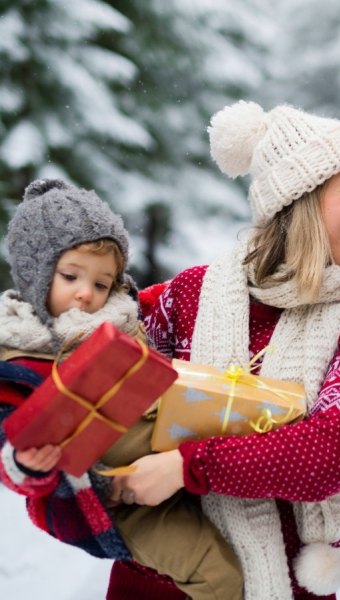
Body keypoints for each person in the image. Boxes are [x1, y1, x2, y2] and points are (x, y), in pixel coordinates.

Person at [105, 100, 340, 599]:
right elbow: (101, 365)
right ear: (298, 200)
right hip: (162, 576)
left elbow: (324, 455)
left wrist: (186, 466)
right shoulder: (188, 297)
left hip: (288, 581)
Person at [0, 178, 243, 600]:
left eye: (100, 283)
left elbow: (172, 304)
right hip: (120, 499)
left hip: (173, 459)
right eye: (71, 275)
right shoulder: (20, 355)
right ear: (35, 273)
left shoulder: (124, 321)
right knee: (216, 572)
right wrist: (26, 460)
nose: (85, 294)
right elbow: (6, 442)